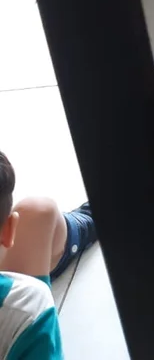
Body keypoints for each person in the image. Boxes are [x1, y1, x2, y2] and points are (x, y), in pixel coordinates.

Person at [0, 151, 97, 359]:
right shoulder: (28, 308)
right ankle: (87, 222)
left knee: (37, 212)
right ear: (8, 231)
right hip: (18, 316)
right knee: (38, 214)